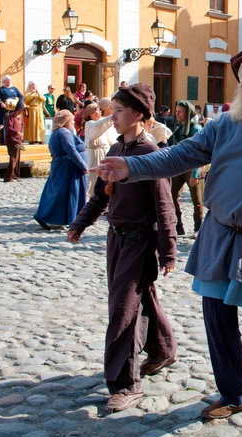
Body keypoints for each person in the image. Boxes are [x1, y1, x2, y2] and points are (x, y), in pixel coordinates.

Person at [90, 42, 242, 420]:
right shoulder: (223, 125)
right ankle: (235, 394)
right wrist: (131, 168)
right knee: (217, 316)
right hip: (219, 234)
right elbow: (178, 155)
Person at [68, 83, 178, 414]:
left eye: (118, 111)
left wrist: (168, 249)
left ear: (140, 115)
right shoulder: (116, 150)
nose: (112, 116)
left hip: (140, 241)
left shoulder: (150, 155)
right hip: (115, 240)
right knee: (140, 299)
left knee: (123, 310)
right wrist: (80, 222)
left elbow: (165, 206)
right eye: (112, 109)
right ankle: (162, 350)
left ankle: (125, 384)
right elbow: (102, 194)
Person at [34, 110, 88, 230]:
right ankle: (48, 216)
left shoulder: (58, 132)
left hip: (63, 165)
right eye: (71, 120)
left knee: (58, 191)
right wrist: (83, 166)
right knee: (63, 192)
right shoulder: (64, 132)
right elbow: (71, 150)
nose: (73, 122)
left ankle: (59, 217)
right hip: (66, 167)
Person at [170, 100, 204, 235]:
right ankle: (178, 226)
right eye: (176, 111)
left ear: (187, 113)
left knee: (197, 199)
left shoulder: (196, 129)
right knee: (171, 195)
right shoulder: (178, 127)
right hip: (178, 167)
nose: (177, 114)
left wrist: (195, 174)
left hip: (192, 167)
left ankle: (199, 229)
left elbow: (199, 152)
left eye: (180, 111)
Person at [84, 103, 117, 197]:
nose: (99, 112)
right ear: (90, 113)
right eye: (96, 110)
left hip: (104, 152)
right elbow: (99, 127)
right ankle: (90, 196)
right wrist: (111, 117)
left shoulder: (100, 122)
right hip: (95, 153)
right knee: (93, 177)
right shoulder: (90, 124)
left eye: (99, 110)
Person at [0, 75, 23, 144]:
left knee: (13, 123)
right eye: (7, 81)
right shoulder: (1, 89)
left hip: (13, 109)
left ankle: (14, 139)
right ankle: (4, 140)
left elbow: (21, 96)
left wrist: (19, 103)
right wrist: (1, 103)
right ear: (4, 82)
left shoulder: (14, 88)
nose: (8, 82)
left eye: (9, 81)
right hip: (4, 109)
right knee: (5, 123)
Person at [4, 102, 24, 182]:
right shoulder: (10, 117)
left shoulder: (21, 116)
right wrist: (17, 133)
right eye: (19, 110)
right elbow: (9, 128)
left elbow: (22, 126)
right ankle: (8, 177)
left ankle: (15, 175)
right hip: (11, 139)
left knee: (17, 158)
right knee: (13, 158)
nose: (20, 112)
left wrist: (21, 134)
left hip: (18, 140)